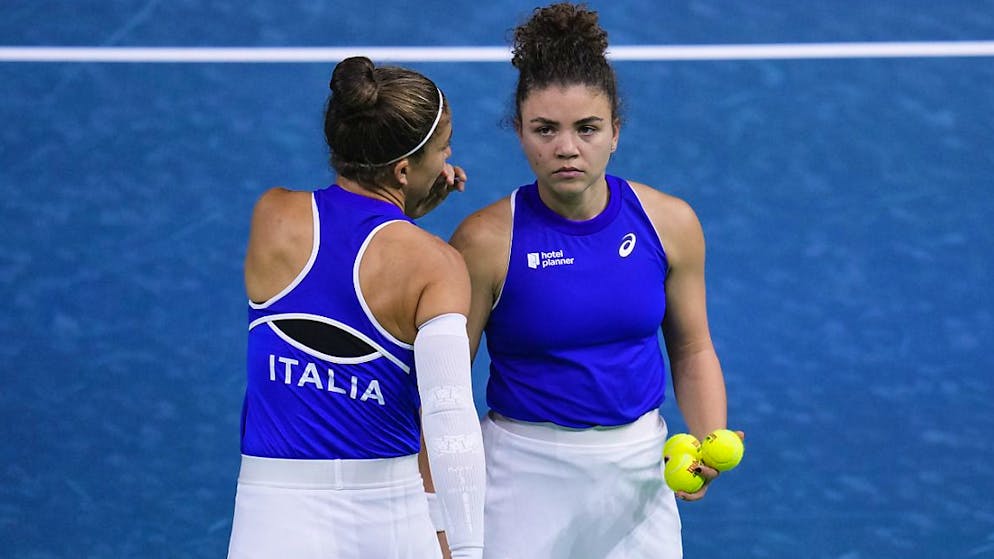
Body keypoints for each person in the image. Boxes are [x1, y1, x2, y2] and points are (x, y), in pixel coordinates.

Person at [448, 3, 738, 558]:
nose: (566, 147)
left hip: (639, 476)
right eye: (545, 129)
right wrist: (439, 497)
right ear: (520, 132)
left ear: (615, 132)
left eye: (587, 128)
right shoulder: (485, 241)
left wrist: (706, 441)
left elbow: (692, 346)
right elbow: (446, 384)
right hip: (520, 478)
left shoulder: (669, 223)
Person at [228, 56, 485, 559]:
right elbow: (450, 421)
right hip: (392, 519)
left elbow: (353, 234)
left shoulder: (273, 216)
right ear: (405, 169)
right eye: (443, 146)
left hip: (274, 520)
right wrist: (468, 549)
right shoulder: (436, 266)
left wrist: (401, 209)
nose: (449, 155)